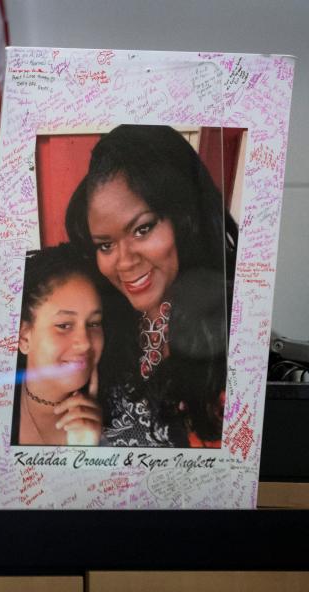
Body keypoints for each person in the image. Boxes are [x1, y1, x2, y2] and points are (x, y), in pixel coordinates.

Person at [65, 124, 237, 448]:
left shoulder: (234, 328)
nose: (124, 261)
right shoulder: (100, 323)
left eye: (142, 229)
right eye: (105, 245)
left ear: (185, 217)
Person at [12, 243, 104, 446]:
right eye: (64, 325)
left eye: (94, 323)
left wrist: (88, 451)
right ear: (24, 337)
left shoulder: (123, 425)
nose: (85, 343)